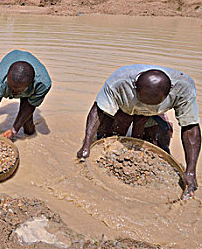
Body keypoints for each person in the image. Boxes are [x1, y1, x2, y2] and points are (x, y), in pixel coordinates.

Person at [77, 65, 200, 198]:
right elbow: (98, 111)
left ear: (170, 92)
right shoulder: (118, 82)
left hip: (153, 116)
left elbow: (190, 128)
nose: (144, 107)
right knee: (104, 137)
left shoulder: (184, 88)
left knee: (160, 143)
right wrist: (86, 145)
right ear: (135, 86)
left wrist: (191, 170)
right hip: (122, 111)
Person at [0, 50, 51, 168]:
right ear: (7, 78)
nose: (12, 94)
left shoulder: (43, 83)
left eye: (17, 92)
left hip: (30, 87)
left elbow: (31, 105)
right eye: (11, 89)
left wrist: (14, 130)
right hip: (12, 72)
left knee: (29, 130)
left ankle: (24, 124)